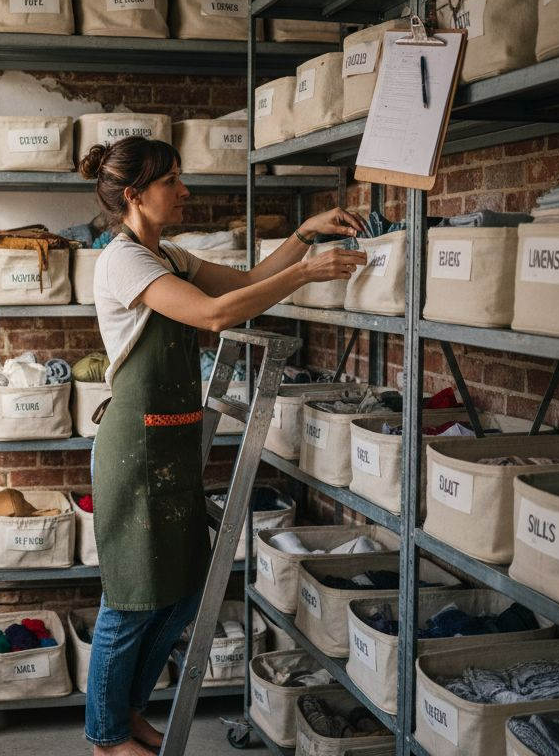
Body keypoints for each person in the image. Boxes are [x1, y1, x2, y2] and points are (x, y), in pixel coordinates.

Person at [78, 136, 366, 756]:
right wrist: (306, 273)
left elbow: (247, 282)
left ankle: (127, 713)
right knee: (130, 600)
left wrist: (304, 238)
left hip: (172, 444)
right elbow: (215, 316)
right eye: (171, 182)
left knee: (181, 594)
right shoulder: (122, 260)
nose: (184, 191)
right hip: (135, 450)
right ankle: (105, 738)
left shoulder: (169, 255)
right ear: (135, 195)